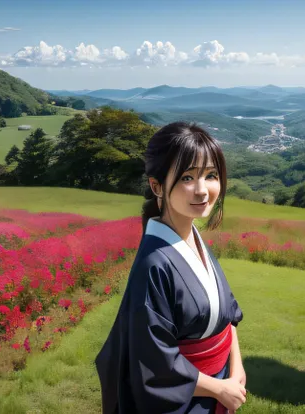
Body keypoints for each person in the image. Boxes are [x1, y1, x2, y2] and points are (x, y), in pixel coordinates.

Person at [95, 122, 247, 413]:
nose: (202, 191)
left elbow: (227, 313)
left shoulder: (192, 237)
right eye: (188, 177)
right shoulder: (154, 263)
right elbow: (155, 363)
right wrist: (220, 388)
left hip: (218, 385)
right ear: (157, 186)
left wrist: (236, 368)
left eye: (211, 175)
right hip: (185, 399)